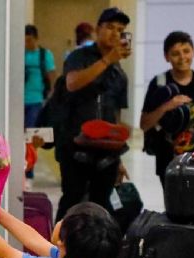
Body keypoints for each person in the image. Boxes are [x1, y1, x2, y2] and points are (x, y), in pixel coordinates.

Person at [55, 7, 131, 222]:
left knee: (101, 204)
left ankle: (95, 251)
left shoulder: (119, 73)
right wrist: (107, 60)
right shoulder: (79, 57)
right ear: (98, 30)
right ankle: (55, 246)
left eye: (120, 30)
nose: (115, 34)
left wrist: (119, 159)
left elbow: (116, 115)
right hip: (75, 146)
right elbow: (72, 83)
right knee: (72, 199)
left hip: (107, 153)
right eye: (110, 28)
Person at [141, 31, 194, 186]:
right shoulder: (159, 84)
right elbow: (144, 123)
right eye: (175, 53)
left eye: (186, 51)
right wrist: (166, 107)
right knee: (174, 207)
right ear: (166, 57)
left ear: (193, 52)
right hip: (167, 163)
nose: (182, 57)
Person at [25, 25, 57, 128]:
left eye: (29, 40)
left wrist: (51, 93)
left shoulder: (44, 55)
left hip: (36, 99)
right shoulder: (20, 54)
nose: (27, 44)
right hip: (18, 99)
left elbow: (51, 74)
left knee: (31, 130)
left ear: (36, 38)